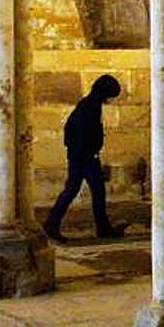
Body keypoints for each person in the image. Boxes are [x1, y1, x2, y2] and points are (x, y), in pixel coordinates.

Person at [44, 74, 127, 243]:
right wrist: (89, 153)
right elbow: (81, 132)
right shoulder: (90, 106)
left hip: (82, 155)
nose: (110, 100)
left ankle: (101, 227)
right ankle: (52, 224)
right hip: (84, 157)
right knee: (77, 190)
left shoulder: (89, 104)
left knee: (91, 190)